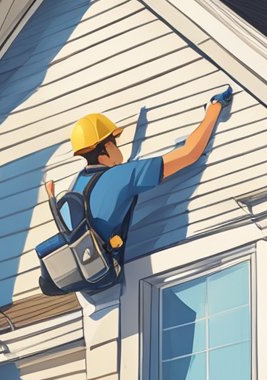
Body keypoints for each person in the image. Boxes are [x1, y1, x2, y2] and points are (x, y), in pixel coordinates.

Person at [40, 85, 234, 294]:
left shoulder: (77, 183)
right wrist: (214, 109)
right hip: (118, 281)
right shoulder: (120, 176)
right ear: (105, 148)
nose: (118, 147)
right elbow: (189, 153)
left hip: (89, 284)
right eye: (114, 142)